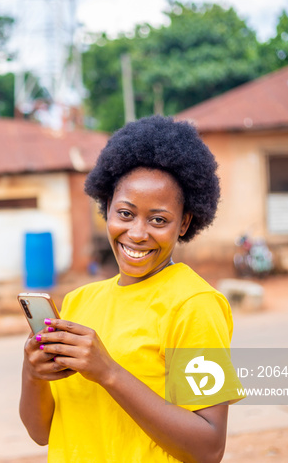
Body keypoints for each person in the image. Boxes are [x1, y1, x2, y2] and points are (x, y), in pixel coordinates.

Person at [19, 116, 243, 462]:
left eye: (158, 219)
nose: (137, 233)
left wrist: (108, 373)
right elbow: (40, 432)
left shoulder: (194, 305)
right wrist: (32, 373)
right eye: (125, 213)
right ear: (106, 208)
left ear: (184, 222)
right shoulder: (80, 301)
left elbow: (209, 447)